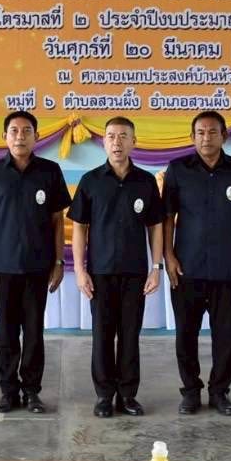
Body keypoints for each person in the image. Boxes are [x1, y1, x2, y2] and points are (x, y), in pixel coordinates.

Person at [0, 110, 70, 414]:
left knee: (33, 332)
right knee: (6, 332)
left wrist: (58, 261)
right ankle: (8, 391)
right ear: (4, 136)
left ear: (36, 136)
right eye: (14, 131)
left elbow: (57, 220)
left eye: (26, 131)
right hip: (3, 267)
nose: (20, 136)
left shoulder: (50, 171)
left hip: (38, 266)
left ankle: (31, 391)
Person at [163, 111, 231, 416]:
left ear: (223, 136)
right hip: (185, 268)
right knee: (185, 334)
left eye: (213, 132)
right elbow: (168, 218)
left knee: (224, 335)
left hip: (227, 268)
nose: (206, 138)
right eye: (201, 132)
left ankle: (220, 392)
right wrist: (168, 255)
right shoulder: (178, 170)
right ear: (192, 137)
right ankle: (190, 392)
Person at [69, 117, 165, 418]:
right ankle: (104, 395)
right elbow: (80, 227)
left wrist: (156, 267)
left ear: (134, 142)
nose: (117, 142)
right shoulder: (91, 181)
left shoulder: (145, 182)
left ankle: (127, 395)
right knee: (102, 335)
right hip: (100, 273)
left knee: (129, 335)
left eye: (123, 136)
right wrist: (80, 270)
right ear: (104, 142)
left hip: (135, 272)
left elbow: (156, 226)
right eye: (111, 136)